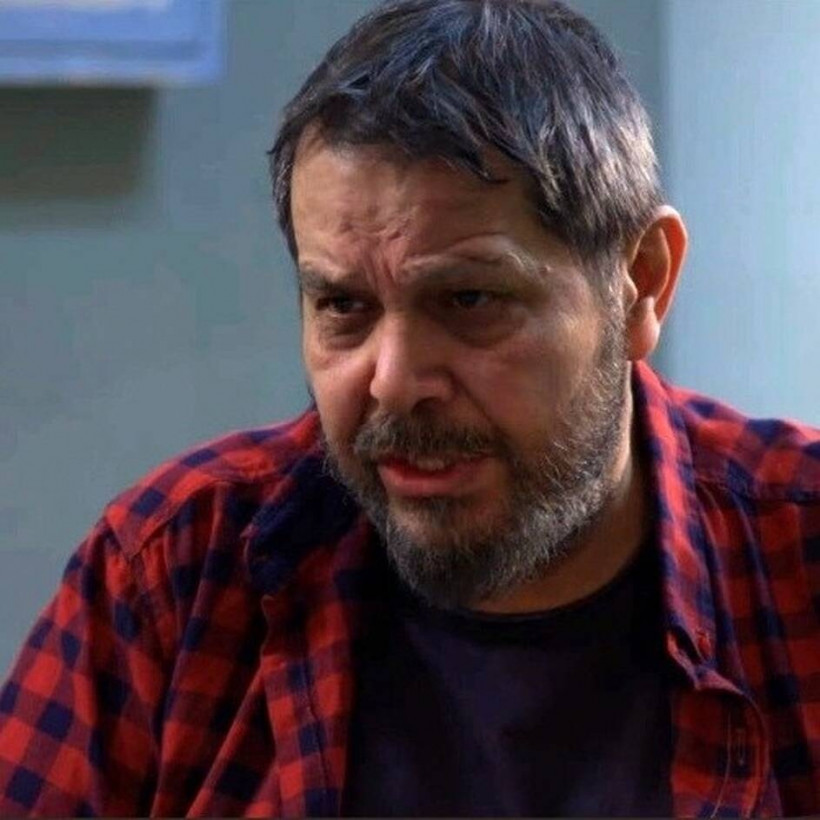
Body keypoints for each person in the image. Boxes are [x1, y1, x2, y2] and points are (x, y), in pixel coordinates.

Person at [1, 0, 819, 815]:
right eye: (343, 307)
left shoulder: (798, 561)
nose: (392, 382)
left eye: (469, 300)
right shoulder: (174, 576)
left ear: (641, 282)